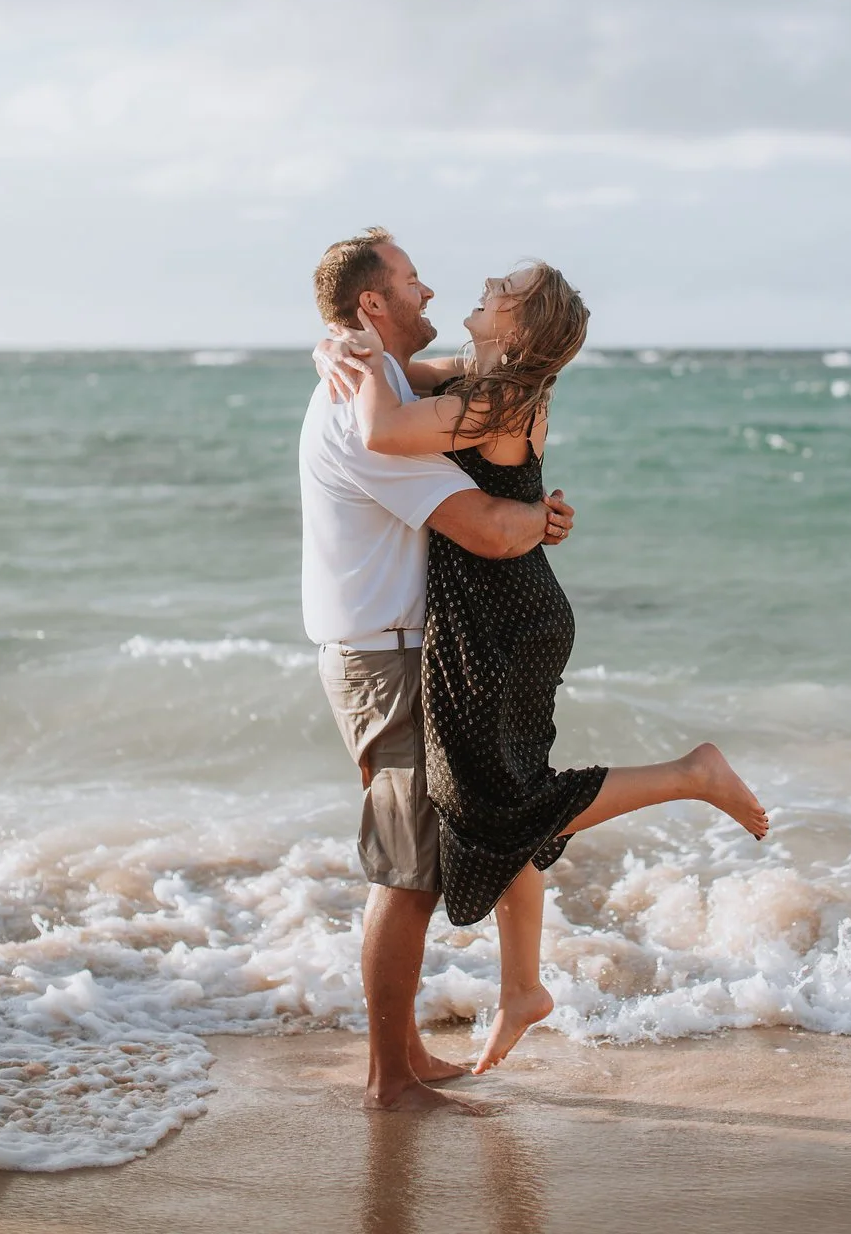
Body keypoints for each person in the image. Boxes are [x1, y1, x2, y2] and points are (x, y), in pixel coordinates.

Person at [320, 258, 769, 1075]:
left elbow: (384, 426)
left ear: (518, 328)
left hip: (501, 620)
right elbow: (403, 375)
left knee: (501, 803)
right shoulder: (487, 379)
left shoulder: (496, 398)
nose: (484, 284)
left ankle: (690, 774)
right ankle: (522, 987)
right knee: (501, 791)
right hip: (508, 612)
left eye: (503, 289)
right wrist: (343, 355)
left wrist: (355, 369)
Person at [299, 228, 576, 1115]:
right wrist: (539, 519)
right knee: (407, 871)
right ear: (374, 304)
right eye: (413, 284)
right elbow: (489, 530)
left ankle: (407, 1050)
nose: (432, 293)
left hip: (392, 650)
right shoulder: (366, 405)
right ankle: (389, 1081)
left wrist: (347, 341)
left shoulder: (377, 372)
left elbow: (471, 375)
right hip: (387, 656)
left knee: (428, 851)